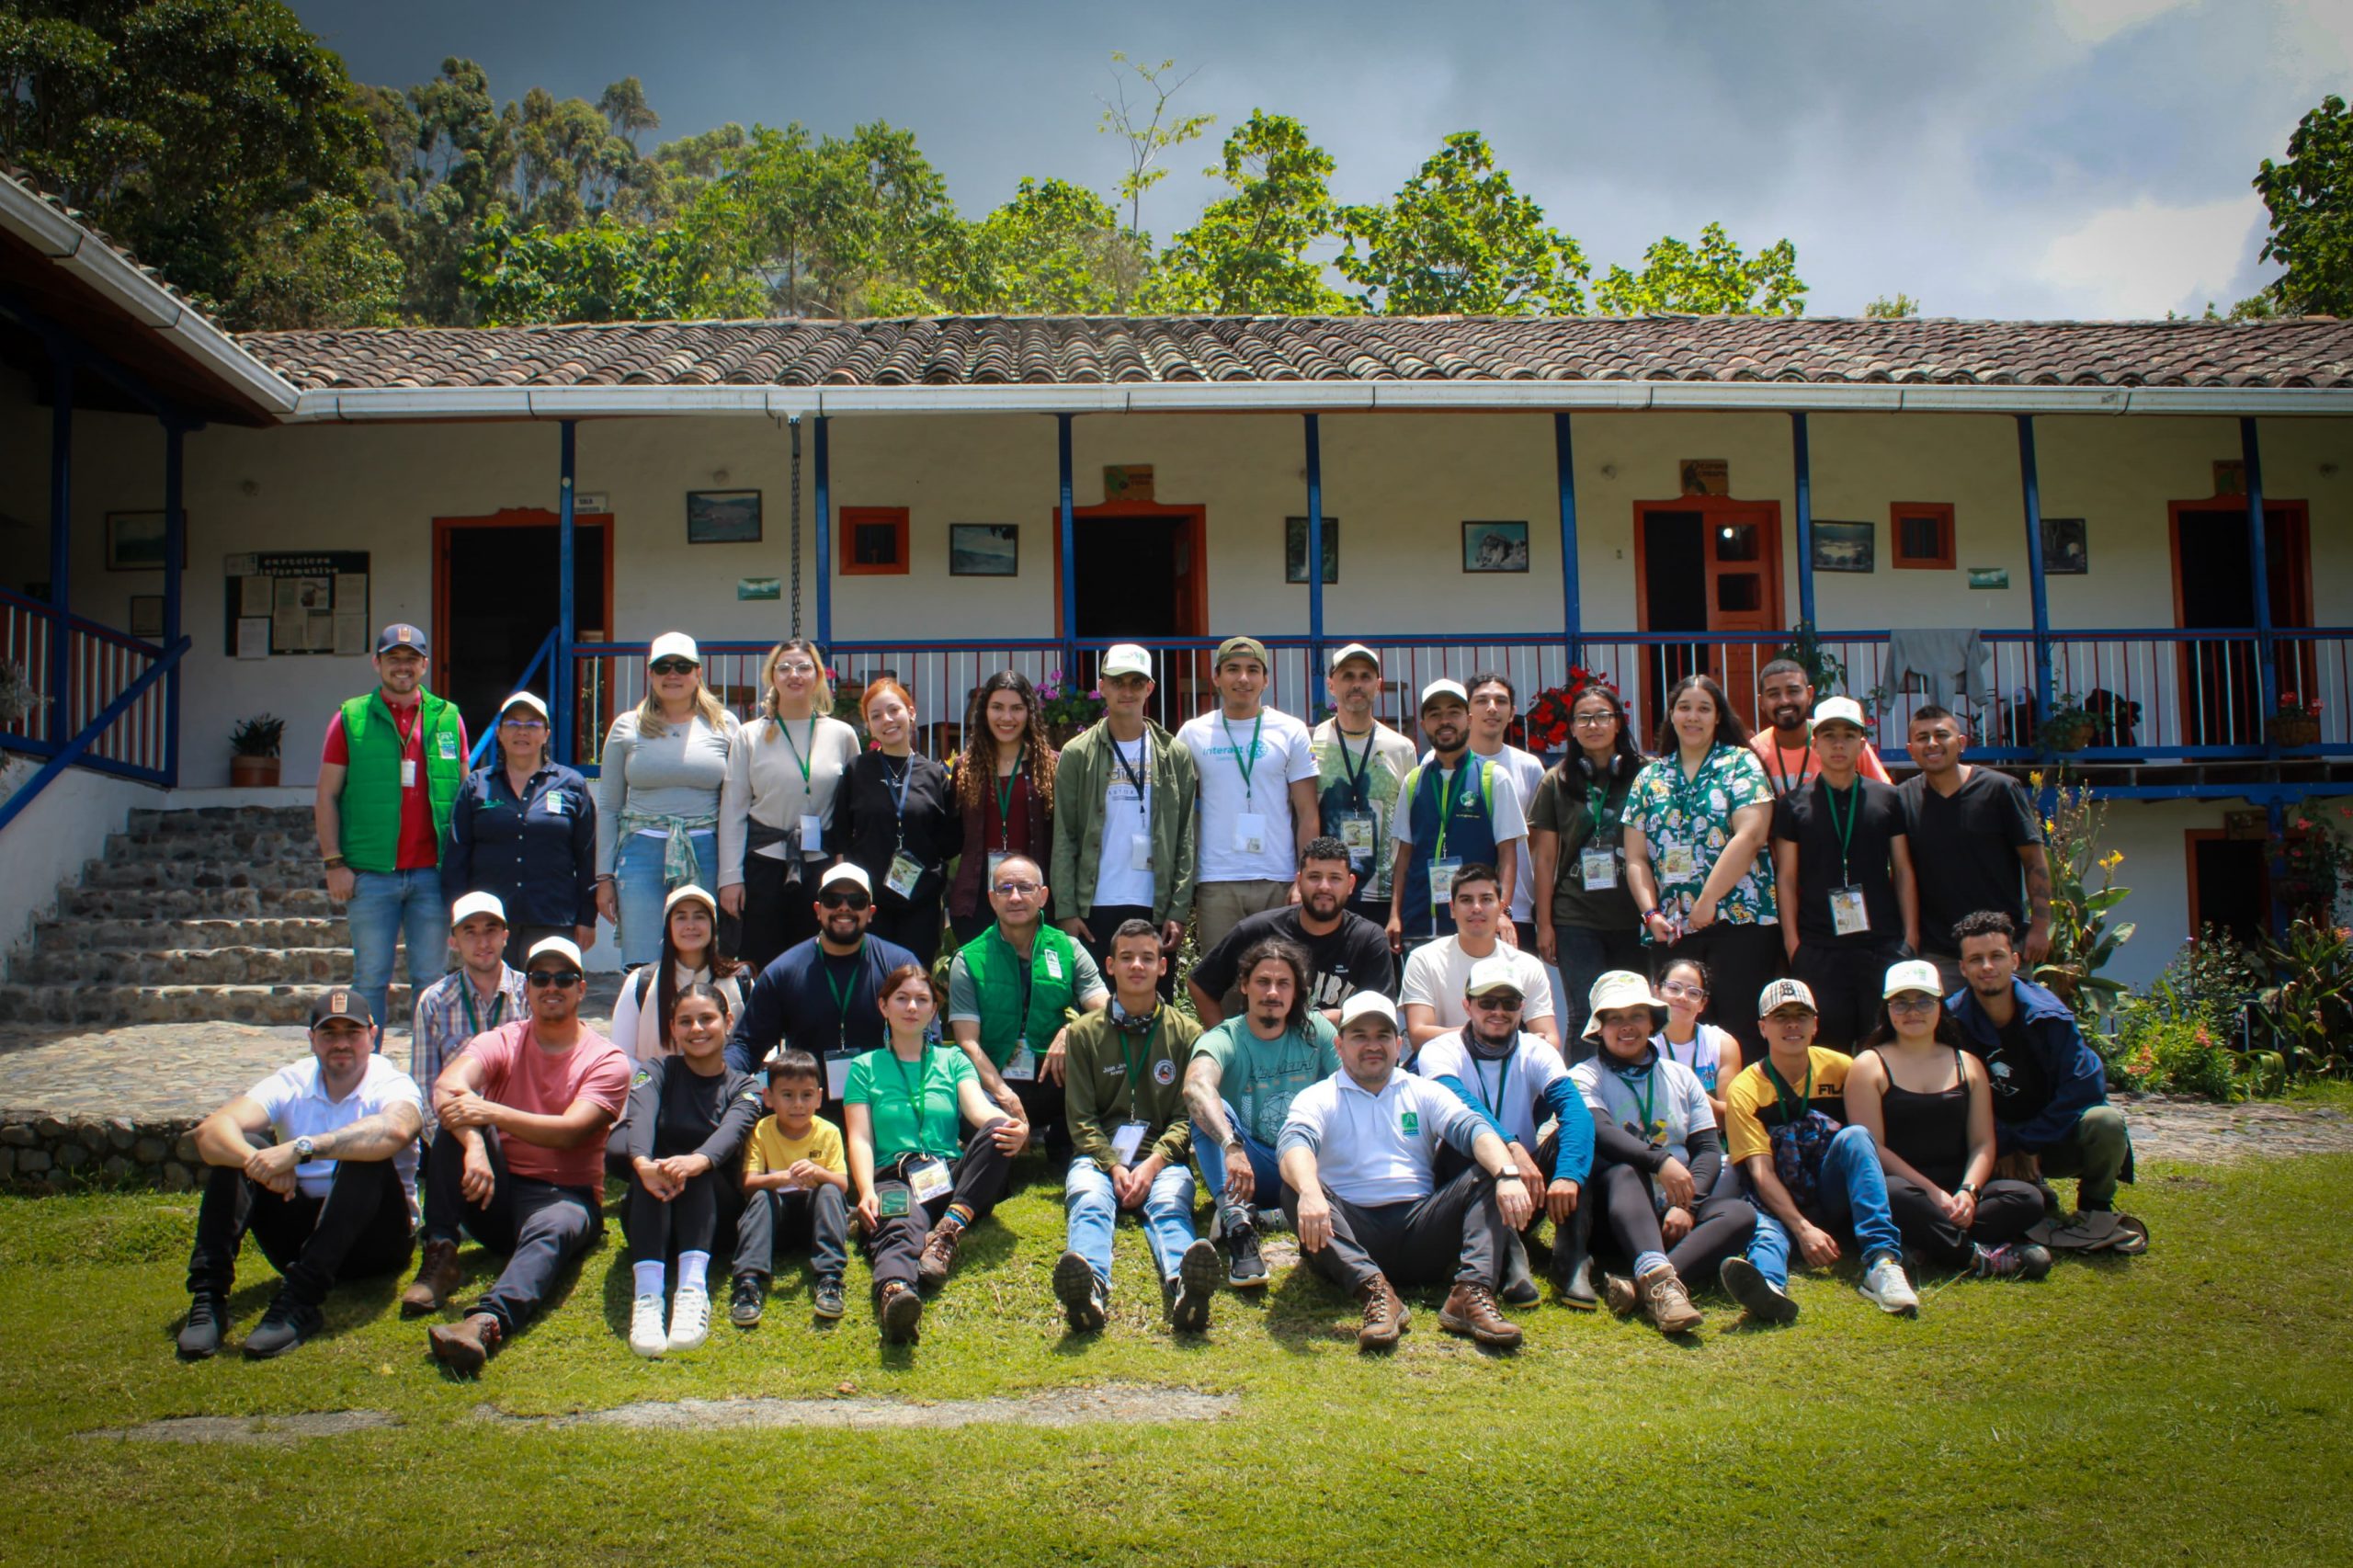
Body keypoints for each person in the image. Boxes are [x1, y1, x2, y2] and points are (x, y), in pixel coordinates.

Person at [405, 937, 631, 1374]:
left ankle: (485, 1323)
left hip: (565, 1196)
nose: (552, 987)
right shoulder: (502, 1040)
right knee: (457, 1123)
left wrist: (488, 1110)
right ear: (525, 989)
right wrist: (474, 1145)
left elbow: (570, 1132)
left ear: (581, 989)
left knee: (552, 1226)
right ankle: (441, 1254)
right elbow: (448, 1087)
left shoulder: (607, 1060)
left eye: (564, 978)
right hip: (497, 1188)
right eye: (541, 977)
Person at [177, 987, 423, 1359]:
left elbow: (397, 1129)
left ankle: (299, 1302)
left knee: (365, 1150)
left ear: (373, 1036)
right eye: (329, 1034)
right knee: (241, 1146)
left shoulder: (391, 1082)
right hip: (298, 1233)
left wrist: (299, 1150)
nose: (341, 1044)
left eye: (352, 1033)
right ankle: (209, 1298)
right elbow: (211, 1132)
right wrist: (257, 1162)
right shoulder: (292, 1080)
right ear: (312, 1040)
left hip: (376, 1240)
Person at [1280, 993, 1532, 1351]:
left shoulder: (1424, 1091)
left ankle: (1470, 1294)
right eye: (1360, 1036)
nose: (1372, 1046)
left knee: (1489, 1170)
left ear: (1399, 1044)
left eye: (1382, 1036)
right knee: (1294, 1188)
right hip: (1349, 1231)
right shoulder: (1317, 1097)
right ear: (1339, 1044)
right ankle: (1375, 1294)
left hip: (1421, 1227)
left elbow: (1476, 1130)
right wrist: (1309, 1193)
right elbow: (1294, 1144)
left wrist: (1507, 1175)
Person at [1051, 919, 1222, 1335]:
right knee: (1090, 1203)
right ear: (1109, 966)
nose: (1137, 966)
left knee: (1171, 1205)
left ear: (1163, 967)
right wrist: (1114, 1166)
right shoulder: (1083, 1034)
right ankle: (1089, 1288)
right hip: (1098, 1159)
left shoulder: (1187, 1033)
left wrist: (1153, 1163)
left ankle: (1186, 1288)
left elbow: (1187, 1116)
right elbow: (1081, 1119)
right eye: (1127, 958)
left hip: (1162, 1160)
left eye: (1148, 957)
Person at [845, 964, 1026, 1345]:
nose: (912, 1007)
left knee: (998, 1130)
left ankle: (947, 1232)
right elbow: (860, 1138)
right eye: (902, 998)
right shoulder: (864, 1068)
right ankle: (897, 1295)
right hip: (895, 1176)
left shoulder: (953, 1060)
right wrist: (865, 1191)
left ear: (934, 1011)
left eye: (922, 1000)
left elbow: (979, 1111)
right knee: (897, 1223)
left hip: (951, 1175)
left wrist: (1015, 1125)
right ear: (884, 1006)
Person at [1721, 978, 1920, 1322]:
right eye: (1780, 1016)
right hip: (1777, 1199)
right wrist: (1802, 1228)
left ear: (1816, 1024)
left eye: (1801, 1015)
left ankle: (1883, 1262)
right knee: (1767, 1231)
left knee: (1856, 1136)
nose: (1792, 1024)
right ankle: (1768, 1288)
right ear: (1762, 1027)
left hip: (1829, 1191)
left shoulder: (1844, 1068)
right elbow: (1760, 1173)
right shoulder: (1745, 1089)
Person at [1845, 960, 2052, 1280]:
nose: (1913, 1011)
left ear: (1940, 1005)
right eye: (1901, 1002)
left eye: (1924, 1001)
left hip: (1957, 1189)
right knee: (1890, 1194)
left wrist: (1968, 1192)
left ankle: (1928, 1243)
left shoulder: (1966, 1064)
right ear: (1887, 1009)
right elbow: (1875, 1149)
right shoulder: (1868, 1066)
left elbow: (1982, 1143)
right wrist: (1931, 1193)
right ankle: (1976, 1256)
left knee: (2028, 1198)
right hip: (1906, 1188)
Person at [1575, 971, 1756, 1335]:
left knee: (1740, 1213)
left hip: (1677, 1207)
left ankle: (1646, 1284)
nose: (1627, 1027)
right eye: (1615, 1019)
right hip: (1618, 1213)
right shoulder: (1583, 1076)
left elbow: (1706, 1148)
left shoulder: (1681, 1076)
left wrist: (1686, 1205)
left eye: (1637, 1016)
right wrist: (1661, 1161)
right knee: (1624, 1171)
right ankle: (1662, 1285)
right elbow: (1604, 1134)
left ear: (1653, 1021)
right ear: (1600, 1028)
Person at [1412, 955, 1592, 1307]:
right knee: (1463, 1144)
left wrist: (1568, 1174)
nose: (1498, 1011)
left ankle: (1570, 1260)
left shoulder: (1537, 1050)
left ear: (1523, 1007)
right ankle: (1510, 1260)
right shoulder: (1438, 1050)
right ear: (1467, 1005)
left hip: (1526, 1189)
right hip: (1468, 1186)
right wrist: (1511, 1147)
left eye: (1509, 1003)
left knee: (1576, 1139)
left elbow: (1576, 1111)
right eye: (1487, 1002)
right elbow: (1461, 1104)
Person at [1943, 911, 2138, 1234]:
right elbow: (1951, 1096)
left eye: (1997, 956)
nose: (1987, 967)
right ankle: (2011, 1194)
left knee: (2105, 1122)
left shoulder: (2051, 1016)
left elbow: (2084, 1088)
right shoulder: (1950, 1022)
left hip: (2051, 1139)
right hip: (1987, 1146)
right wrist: (2002, 1143)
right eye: (1976, 959)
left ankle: (2095, 1207)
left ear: (2015, 960)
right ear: (1963, 968)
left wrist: (2028, 1143)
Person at [316, 622, 467, 1033]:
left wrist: (463, 869)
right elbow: (327, 795)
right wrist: (334, 863)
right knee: (370, 980)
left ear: (425, 665)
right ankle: (368, 1083)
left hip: (431, 875)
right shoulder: (350, 717)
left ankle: (429, 1076)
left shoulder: (448, 717)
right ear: (377, 663)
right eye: (393, 659)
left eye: (411, 660)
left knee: (431, 982)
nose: (403, 667)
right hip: (370, 874)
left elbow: (465, 797)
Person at [1622, 673, 1780, 1066]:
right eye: (1684, 707)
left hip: (1738, 920)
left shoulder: (1740, 763)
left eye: (1703, 709)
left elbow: (1751, 835)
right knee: (1675, 1030)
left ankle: (1738, 1117)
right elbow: (1636, 857)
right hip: (1672, 929)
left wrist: (1708, 900)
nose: (1693, 717)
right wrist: (1650, 913)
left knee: (1739, 1026)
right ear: (1672, 716)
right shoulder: (1650, 776)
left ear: (1717, 717)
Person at [1182, 939, 1340, 1288]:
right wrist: (1231, 1145)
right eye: (1262, 982)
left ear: (1297, 990)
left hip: (1309, 1168)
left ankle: (1269, 1217)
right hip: (1249, 1170)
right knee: (1208, 1110)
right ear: (1244, 985)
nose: (1272, 992)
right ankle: (1239, 1224)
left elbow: (1353, 1089)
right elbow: (1195, 1086)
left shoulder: (1316, 1031)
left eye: (1283, 983)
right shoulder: (1226, 1037)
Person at [618, 981, 763, 1357]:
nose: (696, 1029)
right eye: (685, 1021)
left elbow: (729, 1135)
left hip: (715, 1218)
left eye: (706, 1019)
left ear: (728, 1021)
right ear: (672, 1028)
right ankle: (648, 1297)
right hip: (656, 1213)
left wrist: (694, 1162)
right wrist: (643, 1164)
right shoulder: (657, 1070)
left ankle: (692, 1293)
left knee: (694, 1169)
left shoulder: (746, 1087)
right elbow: (640, 1118)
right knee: (654, 1170)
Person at [1771, 696, 1919, 1049]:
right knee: (1828, 1050)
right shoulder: (1793, 804)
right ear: (1815, 741)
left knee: (1883, 1045)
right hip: (1819, 947)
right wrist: (1795, 946)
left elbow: (1902, 869)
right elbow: (1787, 878)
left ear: (1863, 743)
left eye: (1849, 735)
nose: (1839, 744)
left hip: (1881, 945)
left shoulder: (1888, 798)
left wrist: (1909, 940)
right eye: (1829, 735)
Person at [1050, 642, 1196, 998]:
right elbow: (1065, 834)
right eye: (1117, 681)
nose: (1126, 690)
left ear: (1150, 688)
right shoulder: (1076, 753)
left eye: (1136, 681)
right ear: (1102, 686)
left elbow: (1186, 837)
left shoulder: (1173, 752)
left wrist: (1178, 908)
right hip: (1094, 904)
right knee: (1096, 1005)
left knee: (1153, 1005)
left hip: (1153, 903)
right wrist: (1067, 908)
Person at [595, 632, 745, 970]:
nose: (672, 674)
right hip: (640, 854)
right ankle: (648, 1021)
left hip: (706, 852)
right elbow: (608, 807)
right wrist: (604, 877)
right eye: (662, 667)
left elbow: (736, 806)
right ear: (650, 674)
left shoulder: (725, 725)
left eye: (682, 666)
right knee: (643, 962)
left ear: (698, 673)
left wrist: (733, 873)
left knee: (701, 958)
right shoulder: (626, 727)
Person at [944, 853, 1108, 1150]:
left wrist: (1072, 1030)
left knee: (1100, 1049)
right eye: (1005, 889)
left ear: (1043, 896)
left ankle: (1062, 1135)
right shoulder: (967, 959)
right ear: (992, 899)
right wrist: (1003, 1093)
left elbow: (1107, 1010)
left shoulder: (1069, 949)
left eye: (1025, 888)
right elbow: (968, 1043)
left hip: (1054, 1077)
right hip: (994, 1082)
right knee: (991, 1142)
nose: (1015, 897)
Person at [721, 638, 860, 971]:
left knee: (817, 962)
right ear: (772, 677)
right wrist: (730, 877)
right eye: (784, 668)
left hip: (821, 865)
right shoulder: (749, 735)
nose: (793, 674)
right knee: (761, 962)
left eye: (803, 667)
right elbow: (733, 809)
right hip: (764, 865)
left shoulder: (842, 734)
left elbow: (854, 808)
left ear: (818, 676)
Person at [723, 864, 920, 1096]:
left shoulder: (899, 967)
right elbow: (747, 1046)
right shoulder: (783, 972)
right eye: (832, 899)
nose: (844, 908)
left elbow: (928, 1040)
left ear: (871, 913)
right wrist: (716, 1080)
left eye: (856, 900)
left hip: (885, 1107)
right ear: (818, 909)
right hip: (805, 1113)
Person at [1177, 634, 1321, 952]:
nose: (1243, 678)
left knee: (1280, 977)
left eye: (1253, 670)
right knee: (1222, 981)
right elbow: (1178, 810)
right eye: (1232, 669)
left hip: (1278, 878)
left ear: (1266, 679)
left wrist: (1303, 878)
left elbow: (1308, 812)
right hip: (1217, 879)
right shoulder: (1193, 733)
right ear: (1216, 677)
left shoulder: (1290, 730)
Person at [1529, 679, 1647, 1050]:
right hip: (1575, 918)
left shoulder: (1647, 775)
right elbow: (1545, 858)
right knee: (1584, 1014)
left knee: (1633, 1012)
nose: (1593, 726)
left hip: (1633, 916)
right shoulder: (1557, 780)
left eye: (1601, 717)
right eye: (1583, 719)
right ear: (1573, 729)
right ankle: (1581, 1102)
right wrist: (1545, 924)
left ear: (1618, 723)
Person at [1901, 706, 2053, 991]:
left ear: (1961, 743)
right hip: (1939, 954)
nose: (1932, 743)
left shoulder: (2000, 790)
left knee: (2009, 1033)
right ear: (1911, 749)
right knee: (1947, 1035)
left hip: (2000, 948)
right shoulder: (1904, 798)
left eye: (1941, 735)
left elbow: (2034, 861)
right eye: (1922, 737)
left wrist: (2040, 928)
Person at [440, 690, 597, 966]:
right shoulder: (477, 785)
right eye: (513, 724)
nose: (521, 731)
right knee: (494, 1002)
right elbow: (457, 855)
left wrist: (587, 917)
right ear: (499, 733)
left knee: (547, 999)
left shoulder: (571, 784)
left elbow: (586, 856)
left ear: (546, 734)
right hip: (489, 922)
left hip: (553, 915)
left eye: (532, 725)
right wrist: (458, 917)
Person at [1186, 836, 1395, 1028]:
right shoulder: (1259, 931)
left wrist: (1314, 1020)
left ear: (1350, 885)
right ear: (1299, 881)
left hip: (1338, 1058)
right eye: (1314, 877)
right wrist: (1228, 1042)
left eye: (1335, 878)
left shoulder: (1368, 939)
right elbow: (1200, 984)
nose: (1324, 887)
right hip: (1267, 1057)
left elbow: (1378, 1010)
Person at [1387, 680, 1525, 953]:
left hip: (1477, 925)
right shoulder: (1414, 780)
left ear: (1469, 719)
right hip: (1420, 924)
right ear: (1424, 723)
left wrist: (1501, 911)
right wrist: (1395, 914)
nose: (1444, 721)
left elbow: (1508, 853)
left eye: (1453, 712)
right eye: (1435, 714)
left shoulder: (1493, 777)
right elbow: (1404, 855)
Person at [835, 677, 957, 969]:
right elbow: (840, 834)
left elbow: (950, 840)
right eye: (875, 716)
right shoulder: (858, 770)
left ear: (911, 712)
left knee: (914, 977)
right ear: (869, 725)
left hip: (921, 901)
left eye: (894, 710)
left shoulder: (935, 774)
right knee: (871, 978)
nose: (887, 720)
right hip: (870, 901)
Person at [730, 1047, 851, 1326]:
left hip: (815, 1221)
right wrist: (784, 1178)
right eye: (787, 1095)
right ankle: (748, 1283)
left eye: (806, 1095)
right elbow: (748, 1184)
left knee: (830, 1191)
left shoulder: (828, 1132)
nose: (798, 1104)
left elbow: (843, 1185)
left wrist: (819, 1172)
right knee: (761, 1197)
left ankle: (830, 1279)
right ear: (769, 1097)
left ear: (819, 1097)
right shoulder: (761, 1131)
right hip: (776, 1223)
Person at [947, 670, 1059, 950]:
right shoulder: (965, 768)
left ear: (1029, 713)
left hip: (1031, 896)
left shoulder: (1051, 766)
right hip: (979, 897)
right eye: (997, 707)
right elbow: (951, 835)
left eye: (1016, 709)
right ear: (984, 711)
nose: (1006, 718)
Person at [1398, 864, 1561, 1056]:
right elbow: (1419, 1036)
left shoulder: (1527, 965)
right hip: (1445, 1063)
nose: (1476, 908)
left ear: (1501, 908)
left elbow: (1550, 1040)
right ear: (1452, 909)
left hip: (1509, 1065)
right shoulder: (1424, 959)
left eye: (1486, 899)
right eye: (1466, 900)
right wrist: (1490, 1035)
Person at [1310, 642, 1417, 926]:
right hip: (1324, 894)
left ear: (1378, 685)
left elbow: (1410, 826)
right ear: (1331, 684)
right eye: (1347, 676)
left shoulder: (1401, 748)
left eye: (1365, 676)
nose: (1356, 684)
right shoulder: (1311, 742)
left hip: (1380, 896)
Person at [409, 892, 529, 1140]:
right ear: (453, 941)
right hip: (457, 1133)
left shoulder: (529, 992)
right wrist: (445, 1143)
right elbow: (425, 1084)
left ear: (505, 936)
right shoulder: (434, 1001)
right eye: (470, 932)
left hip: (519, 1131)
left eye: (490, 930)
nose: (483, 943)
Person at [608, 884, 747, 1064]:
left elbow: (756, 1049)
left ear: (713, 926)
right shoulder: (641, 983)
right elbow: (622, 1057)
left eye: (699, 917)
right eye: (681, 917)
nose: (690, 926)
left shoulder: (739, 980)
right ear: (668, 927)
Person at [1465, 671, 1552, 937]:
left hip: (1518, 908)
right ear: (1467, 711)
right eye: (1481, 701)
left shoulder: (1529, 766)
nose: (1492, 708)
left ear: (1512, 712)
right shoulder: (1438, 762)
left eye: (1500, 701)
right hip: (1462, 904)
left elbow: (1533, 837)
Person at [1751, 658, 1892, 796]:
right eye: (1774, 694)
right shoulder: (1753, 753)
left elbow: (1885, 798)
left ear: (1810, 694)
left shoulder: (1843, 739)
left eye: (1793, 691)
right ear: (1761, 702)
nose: (1784, 701)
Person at [1652, 956, 1742, 1127]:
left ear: (1703, 1004)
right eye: (1673, 988)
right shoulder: (1644, 1043)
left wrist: (1688, 1090)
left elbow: (1730, 1116)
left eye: (1693, 992)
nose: (1682, 997)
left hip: (1710, 1143)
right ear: (1656, 992)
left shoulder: (1722, 1044)